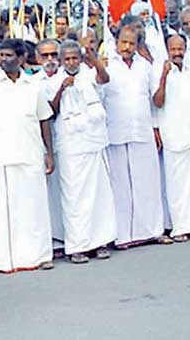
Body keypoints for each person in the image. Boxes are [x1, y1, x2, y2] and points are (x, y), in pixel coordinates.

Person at [0, 39, 55, 273]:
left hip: (31, 153)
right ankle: (8, 260)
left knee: (36, 206)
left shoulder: (33, 85)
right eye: (1, 55)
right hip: (2, 155)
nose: (3, 59)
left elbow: (44, 120)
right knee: (6, 210)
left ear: (21, 59)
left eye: (9, 55)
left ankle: (41, 255)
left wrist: (49, 153)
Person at [47, 41, 116, 262]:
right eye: (66, 59)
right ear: (60, 61)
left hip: (93, 142)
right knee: (75, 196)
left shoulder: (88, 75)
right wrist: (62, 89)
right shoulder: (52, 80)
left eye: (74, 58)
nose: (71, 62)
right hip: (70, 146)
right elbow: (50, 111)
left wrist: (93, 58)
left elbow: (104, 79)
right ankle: (77, 246)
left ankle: (100, 242)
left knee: (99, 194)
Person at [102, 26, 168, 248]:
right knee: (120, 185)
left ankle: (152, 230)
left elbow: (155, 101)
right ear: (116, 42)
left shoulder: (145, 66)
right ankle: (123, 236)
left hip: (142, 129)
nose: (127, 47)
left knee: (147, 181)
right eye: (123, 42)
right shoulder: (107, 63)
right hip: (115, 131)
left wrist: (156, 127)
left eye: (131, 43)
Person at [152, 35, 190, 241]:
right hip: (174, 135)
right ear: (166, 50)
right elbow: (157, 102)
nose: (177, 53)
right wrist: (163, 77)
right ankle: (180, 227)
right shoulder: (159, 70)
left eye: (180, 48)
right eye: (173, 49)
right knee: (177, 185)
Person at [32, 39, 66, 256]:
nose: (50, 60)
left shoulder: (71, 75)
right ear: (37, 58)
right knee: (49, 193)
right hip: (44, 143)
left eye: (54, 54)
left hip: (70, 142)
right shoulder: (33, 82)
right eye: (45, 56)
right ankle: (54, 239)